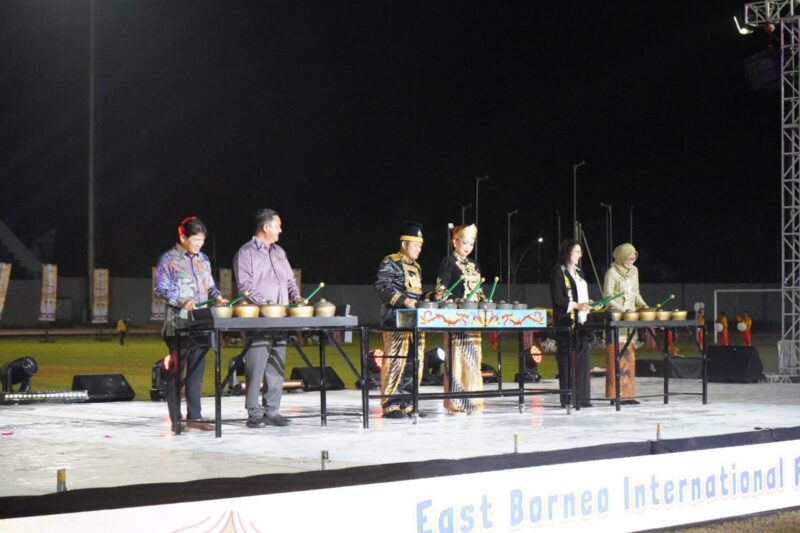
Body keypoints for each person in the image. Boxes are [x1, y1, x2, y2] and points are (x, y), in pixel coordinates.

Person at [154, 216, 227, 431]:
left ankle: (195, 416)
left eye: (202, 240)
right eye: (195, 240)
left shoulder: (203, 259)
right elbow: (160, 289)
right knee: (176, 374)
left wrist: (217, 296)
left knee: (196, 373)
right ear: (183, 237)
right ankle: (176, 419)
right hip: (178, 324)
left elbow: (210, 286)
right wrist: (181, 301)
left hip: (201, 323)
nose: (199, 245)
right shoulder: (169, 259)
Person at [233, 208, 303, 428]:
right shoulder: (246, 252)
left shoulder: (279, 252)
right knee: (256, 366)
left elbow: (290, 281)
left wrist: (296, 296)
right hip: (259, 319)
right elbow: (244, 286)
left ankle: (272, 410)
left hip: (280, 319)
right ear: (266, 227)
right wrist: (266, 303)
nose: (280, 230)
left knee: (276, 365)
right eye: (277, 226)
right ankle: (254, 412)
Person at [375, 221, 434, 418]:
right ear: (404, 244)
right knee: (395, 360)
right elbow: (382, 287)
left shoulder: (416, 267)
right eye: (415, 245)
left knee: (414, 362)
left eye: (420, 246)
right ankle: (390, 404)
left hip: (415, 321)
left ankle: (407, 402)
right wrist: (403, 301)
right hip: (395, 320)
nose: (419, 249)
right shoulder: (390, 261)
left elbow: (416, 296)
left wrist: (431, 297)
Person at [436, 224, 485, 414]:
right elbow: (442, 288)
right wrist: (451, 299)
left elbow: (479, 290)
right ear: (454, 242)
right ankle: (456, 402)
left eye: (471, 244)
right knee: (457, 358)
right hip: (456, 317)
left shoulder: (475, 264)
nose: (468, 247)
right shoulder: (449, 261)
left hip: (474, 317)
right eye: (465, 243)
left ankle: (473, 400)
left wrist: (484, 301)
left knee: (474, 358)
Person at [549, 239, 593, 408]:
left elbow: (581, 295)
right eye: (577, 252)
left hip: (582, 323)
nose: (580, 255)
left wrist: (587, 304)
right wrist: (576, 305)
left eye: (580, 252)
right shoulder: (558, 272)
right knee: (567, 362)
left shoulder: (579, 273)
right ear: (568, 252)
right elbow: (558, 300)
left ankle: (582, 398)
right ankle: (568, 399)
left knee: (583, 361)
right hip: (566, 323)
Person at [603, 243, 647, 405]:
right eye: (628, 259)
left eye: (633, 259)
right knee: (616, 355)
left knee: (629, 354)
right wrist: (623, 311)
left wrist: (644, 306)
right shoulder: (612, 273)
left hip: (630, 318)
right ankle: (615, 395)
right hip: (617, 318)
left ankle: (628, 395)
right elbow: (607, 297)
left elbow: (636, 293)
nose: (631, 262)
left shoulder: (634, 271)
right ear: (621, 257)